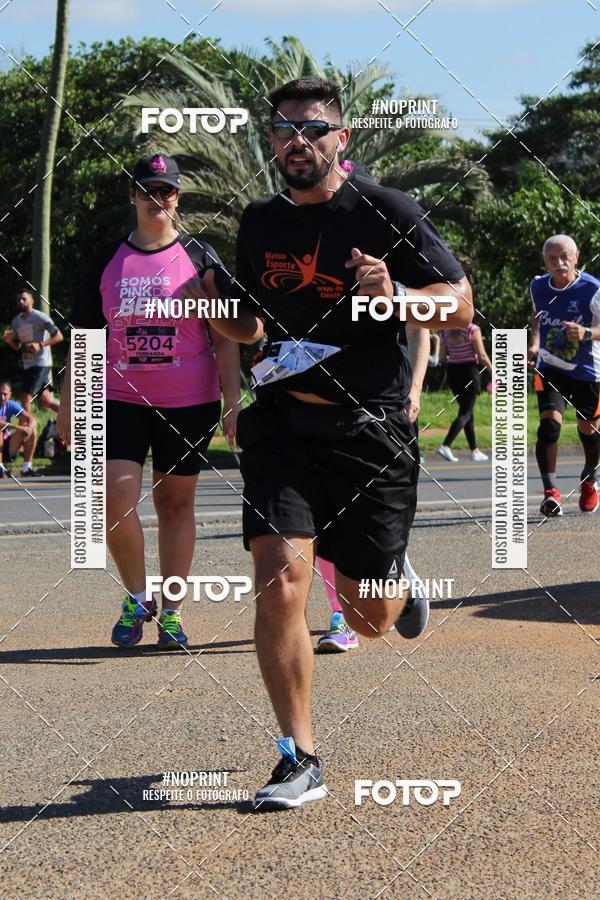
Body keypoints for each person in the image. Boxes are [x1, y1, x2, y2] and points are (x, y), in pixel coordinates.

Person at [203, 78, 472, 809]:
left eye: (312, 128)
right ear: (270, 140)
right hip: (283, 423)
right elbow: (253, 327)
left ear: (340, 139)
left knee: (367, 618)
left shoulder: (387, 211)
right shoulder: (259, 223)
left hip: (369, 432)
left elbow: (459, 301)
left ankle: (396, 579)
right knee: (279, 576)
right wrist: (217, 310)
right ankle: (299, 759)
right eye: (284, 128)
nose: (298, 140)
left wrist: (399, 295)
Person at [57, 154, 240, 648]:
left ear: (177, 196)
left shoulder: (201, 257)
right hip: (119, 396)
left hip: (189, 400)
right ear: (133, 195)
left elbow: (226, 336)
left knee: (175, 504)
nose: (156, 199)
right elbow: (86, 338)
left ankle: (174, 612)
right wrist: (69, 403)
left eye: (165, 190)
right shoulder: (107, 258)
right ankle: (137, 599)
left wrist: (233, 398)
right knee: (113, 499)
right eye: (146, 190)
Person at [528, 234, 600, 516]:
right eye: (551, 258)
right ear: (544, 260)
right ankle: (551, 493)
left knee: (589, 430)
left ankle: (589, 480)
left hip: (587, 371)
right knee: (549, 427)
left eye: (564, 257)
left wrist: (586, 333)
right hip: (549, 367)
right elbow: (537, 316)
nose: (558, 263)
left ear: (576, 257)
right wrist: (534, 344)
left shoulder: (592, 289)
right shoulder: (537, 285)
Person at [436, 323, 492, 463]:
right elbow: (482, 355)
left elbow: (442, 357)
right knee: (466, 412)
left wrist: (455, 356)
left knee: (467, 411)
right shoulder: (472, 329)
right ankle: (445, 445)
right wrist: (494, 373)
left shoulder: (443, 331)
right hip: (469, 372)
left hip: (453, 373)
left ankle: (474, 450)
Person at [3, 288, 63, 413]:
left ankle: (28, 431)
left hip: (41, 364)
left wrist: (40, 345)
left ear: (32, 300)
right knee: (46, 400)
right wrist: (9, 340)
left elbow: (59, 336)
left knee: (25, 398)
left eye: (24, 298)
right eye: (19, 299)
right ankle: (74, 415)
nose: (21, 301)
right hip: (28, 365)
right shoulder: (16, 321)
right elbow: (17, 346)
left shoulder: (40, 318)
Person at [0, 381, 37, 478]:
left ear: (10, 395)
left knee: (31, 430)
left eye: (5, 394)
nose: (2, 397)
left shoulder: (10, 405)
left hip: (7, 446)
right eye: (0, 394)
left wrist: (29, 428)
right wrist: (19, 427)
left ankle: (26, 468)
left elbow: (31, 419)